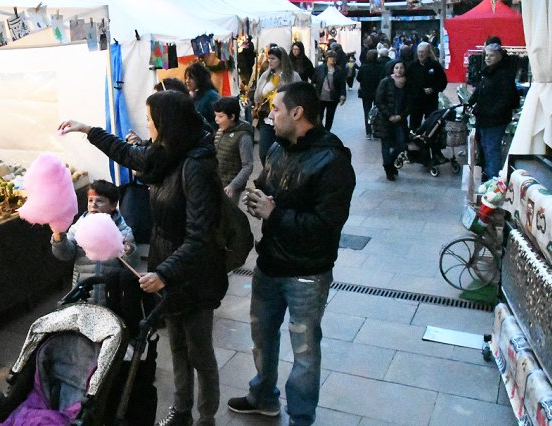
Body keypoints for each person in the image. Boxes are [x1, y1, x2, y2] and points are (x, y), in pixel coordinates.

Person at [59, 90, 228, 426]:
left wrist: (164, 273)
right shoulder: (164, 154)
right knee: (176, 345)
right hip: (167, 265)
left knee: (199, 352)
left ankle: (206, 417)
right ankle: (181, 411)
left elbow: (201, 237)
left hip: (194, 273)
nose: (147, 126)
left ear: (167, 125)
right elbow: (128, 153)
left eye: (151, 121)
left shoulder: (195, 166)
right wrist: (88, 130)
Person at [227, 82, 355, 425]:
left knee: (305, 349)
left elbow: (327, 225)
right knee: (262, 336)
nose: (271, 116)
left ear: (297, 113)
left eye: (277, 110)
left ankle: (300, 416)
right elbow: (271, 189)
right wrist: (259, 200)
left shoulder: (333, 160)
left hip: (307, 273)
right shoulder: (278, 150)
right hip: (269, 263)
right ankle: (263, 395)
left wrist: (274, 213)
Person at [51, 179, 138, 302]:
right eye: (90, 200)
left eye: (100, 201)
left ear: (113, 205)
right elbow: (65, 255)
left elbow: (132, 265)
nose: (93, 204)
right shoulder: (78, 227)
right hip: (84, 290)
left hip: (111, 291)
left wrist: (129, 251)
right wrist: (59, 238)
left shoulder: (123, 231)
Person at [468, 42, 520, 180]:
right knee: (486, 146)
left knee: (492, 148)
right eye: (486, 55)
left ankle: (494, 178)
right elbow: (480, 89)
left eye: (491, 55)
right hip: (485, 118)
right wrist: (471, 101)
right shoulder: (488, 72)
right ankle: (490, 173)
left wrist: (492, 112)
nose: (487, 58)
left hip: (495, 119)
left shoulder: (503, 74)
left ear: (499, 56)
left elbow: (506, 98)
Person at [253, 46, 299, 165]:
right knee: (264, 153)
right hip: (267, 119)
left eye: (273, 58)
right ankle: (269, 175)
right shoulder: (265, 76)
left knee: (286, 153)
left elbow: (299, 97)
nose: (270, 61)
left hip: (286, 120)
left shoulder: (293, 76)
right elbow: (257, 95)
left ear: (281, 60)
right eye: (269, 58)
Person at [406, 42, 449, 163]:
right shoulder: (412, 66)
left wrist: (434, 89)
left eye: (423, 52)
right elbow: (408, 84)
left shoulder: (435, 66)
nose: (420, 54)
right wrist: (417, 91)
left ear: (428, 52)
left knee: (434, 127)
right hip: (416, 102)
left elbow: (443, 82)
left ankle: (435, 152)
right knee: (414, 127)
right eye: (419, 52)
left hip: (431, 102)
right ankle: (413, 153)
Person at [213, 97, 254, 204]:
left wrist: (233, 186)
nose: (216, 120)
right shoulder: (220, 131)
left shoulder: (243, 136)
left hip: (230, 188)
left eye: (220, 116)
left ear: (232, 116)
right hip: (217, 182)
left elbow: (248, 165)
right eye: (216, 115)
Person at [375, 61, 409, 181]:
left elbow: (408, 103)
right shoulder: (386, 81)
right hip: (385, 119)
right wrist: (389, 115)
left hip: (400, 119)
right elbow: (379, 100)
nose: (399, 70)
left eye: (401, 68)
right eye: (396, 67)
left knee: (402, 143)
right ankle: (388, 168)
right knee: (385, 144)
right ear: (392, 69)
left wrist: (401, 115)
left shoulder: (407, 83)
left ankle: (390, 163)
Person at [312, 51, 346, 131]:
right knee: (319, 116)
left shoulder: (339, 70)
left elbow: (342, 84)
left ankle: (327, 132)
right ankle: (320, 131)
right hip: (320, 97)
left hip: (333, 98)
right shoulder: (319, 69)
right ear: (327, 58)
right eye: (331, 57)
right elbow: (314, 82)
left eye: (334, 58)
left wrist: (342, 95)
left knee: (330, 117)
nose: (333, 59)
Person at [356, 49, 386, 140]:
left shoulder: (363, 67)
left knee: (367, 111)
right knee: (377, 112)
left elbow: (358, 78)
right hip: (378, 92)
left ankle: (368, 132)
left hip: (366, 92)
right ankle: (376, 131)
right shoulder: (381, 67)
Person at [185, 62, 221, 131]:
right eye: (186, 78)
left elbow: (219, 121)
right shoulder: (193, 96)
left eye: (191, 78)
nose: (187, 81)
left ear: (200, 78)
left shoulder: (211, 96)